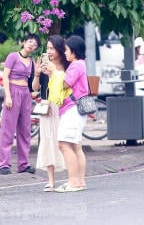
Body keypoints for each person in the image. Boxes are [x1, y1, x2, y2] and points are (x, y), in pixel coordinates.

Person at [0, 33, 39, 175]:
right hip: (13, 92)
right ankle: (4, 164)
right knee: (8, 128)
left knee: (25, 129)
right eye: (30, 42)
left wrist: (38, 75)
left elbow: (32, 85)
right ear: (23, 42)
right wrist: (8, 96)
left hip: (25, 94)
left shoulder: (32, 62)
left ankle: (23, 164)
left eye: (35, 44)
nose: (31, 45)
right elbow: (5, 76)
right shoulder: (13, 56)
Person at [32, 35, 67, 192]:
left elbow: (64, 86)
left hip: (61, 106)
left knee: (64, 142)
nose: (49, 51)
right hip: (47, 107)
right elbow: (35, 89)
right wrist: (38, 74)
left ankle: (70, 178)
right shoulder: (46, 66)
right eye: (47, 48)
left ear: (60, 49)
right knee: (47, 142)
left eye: (52, 48)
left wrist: (53, 73)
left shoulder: (66, 67)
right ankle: (51, 181)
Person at [54, 34, 89, 193]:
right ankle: (80, 181)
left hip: (72, 109)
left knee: (64, 144)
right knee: (75, 146)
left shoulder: (75, 65)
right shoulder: (81, 64)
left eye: (66, 50)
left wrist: (54, 71)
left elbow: (65, 83)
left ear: (74, 51)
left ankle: (73, 181)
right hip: (77, 109)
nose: (65, 53)